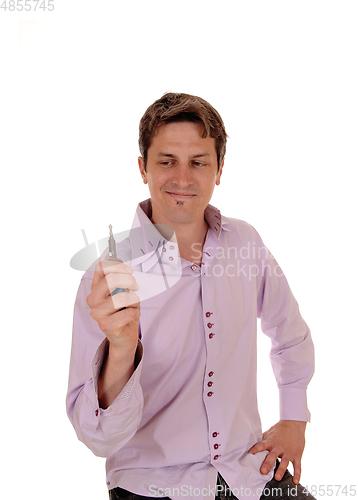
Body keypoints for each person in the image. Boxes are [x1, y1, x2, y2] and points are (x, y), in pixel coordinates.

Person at [66, 93, 316, 500]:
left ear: (219, 171)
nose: (182, 178)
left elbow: (290, 335)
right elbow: (98, 438)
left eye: (198, 162)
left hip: (246, 471)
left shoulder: (246, 243)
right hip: (152, 484)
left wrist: (294, 418)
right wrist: (122, 347)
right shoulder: (109, 279)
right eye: (167, 161)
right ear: (143, 168)